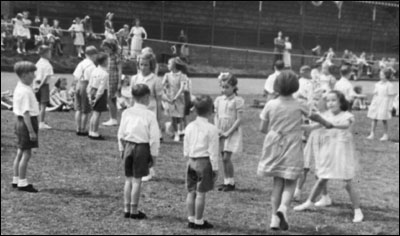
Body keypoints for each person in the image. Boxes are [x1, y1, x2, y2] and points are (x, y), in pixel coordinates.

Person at [257, 71, 333, 231]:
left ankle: (274, 220)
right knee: (290, 181)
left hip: (274, 144)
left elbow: (262, 128)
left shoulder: (270, 104)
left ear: (276, 87)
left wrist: (277, 131)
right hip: (292, 144)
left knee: (277, 181)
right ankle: (283, 208)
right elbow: (315, 116)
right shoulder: (299, 103)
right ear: (295, 87)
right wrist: (326, 123)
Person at [294, 90, 364, 223]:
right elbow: (312, 127)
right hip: (328, 151)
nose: (330, 103)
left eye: (334, 100)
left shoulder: (347, 115)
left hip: (343, 152)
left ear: (341, 102)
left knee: (348, 183)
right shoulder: (324, 115)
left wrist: (332, 125)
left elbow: (346, 125)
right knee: (322, 179)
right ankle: (309, 202)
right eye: (328, 100)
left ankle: (357, 210)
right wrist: (296, 126)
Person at [118, 84, 160, 220]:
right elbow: (154, 138)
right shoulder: (150, 115)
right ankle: (134, 210)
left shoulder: (127, 112)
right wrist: (154, 155)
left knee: (128, 179)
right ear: (146, 97)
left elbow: (121, 133)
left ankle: (126, 208)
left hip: (128, 145)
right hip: (142, 147)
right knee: (137, 180)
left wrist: (121, 148)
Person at [184, 95, 219, 230]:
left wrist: (188, 156)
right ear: (211, 110)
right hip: (204, 162)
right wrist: (215, 169)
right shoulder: (212, 129)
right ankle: (199, 221)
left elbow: (186, 146)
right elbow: (213, 151)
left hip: (191, 160)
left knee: (191, 191)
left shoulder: (190, 126)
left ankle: (190, 218)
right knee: (201, 193)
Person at [130, 53, 163, 181]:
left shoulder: (155, 80)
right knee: (139, 141)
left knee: (150, 142)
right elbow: (132, 98)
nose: (143, 67)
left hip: (150, 112)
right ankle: (141, 166)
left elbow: (159, 101)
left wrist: (159, 118)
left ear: (151, 66)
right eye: (141, 65)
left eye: (146, 65)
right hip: (137, 113)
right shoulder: (134, 78)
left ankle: (150, 168)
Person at [12, 61, 40, 193]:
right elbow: (26, 113)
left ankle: (16, 178)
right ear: (24, 75)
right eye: (32, 73)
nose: (34, 76)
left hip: (19, 122)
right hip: (26, 122)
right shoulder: (25, 91)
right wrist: (31, 131)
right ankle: (22, 182)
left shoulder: (21, 87)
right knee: (26, 153)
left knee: (20, 151)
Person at [214, 73, 244, 192]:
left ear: (233, 87)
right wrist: (217, 129)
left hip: (232, 131)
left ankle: (231, 182)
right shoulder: (218, 100)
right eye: (222, 87)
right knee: (223, 157)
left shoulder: (238, 100)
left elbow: (239, 119)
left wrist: (228, 132)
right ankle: (226, 181)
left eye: (227, 87)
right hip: (221, 131)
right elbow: (216, 116)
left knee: (227, 157)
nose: (224, 90)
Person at [72, 46, 98, 136]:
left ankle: (77, 128)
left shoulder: (81, 63)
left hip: (78, 83)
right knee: (85, 109)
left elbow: (75, 76)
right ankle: (83, 129)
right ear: (93, 55)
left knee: (78, 108)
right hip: (86, 85)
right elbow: (94, 79)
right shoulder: (92, 66)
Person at [162, 57, 188, 142]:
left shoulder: (182, 76)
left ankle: (171, 128)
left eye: (169, 63)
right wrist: (165, 93)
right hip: (170, 99)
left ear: (174, 65)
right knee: (173, 117)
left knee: (180, 117)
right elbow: (161, 85)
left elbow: (181, 88)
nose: (167, 65)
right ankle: (176, 133)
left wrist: (175, 97)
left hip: (179, 99)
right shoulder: (167, 75)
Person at [367, 68, 397, 141]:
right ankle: (372, 133)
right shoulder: (377, 84)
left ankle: (385, 135)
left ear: (386, 76)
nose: (380, 76)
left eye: (382, 75)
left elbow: (391, 97)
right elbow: (375, 94)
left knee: (384, 119)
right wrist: (372, 104)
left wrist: (390, 106)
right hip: (377, 102)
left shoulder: (389, 85)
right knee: (374, 118)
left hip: (384, 103)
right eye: (380, 74)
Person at [87, 53, 109, 140]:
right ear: (104, 62)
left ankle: (91, 131)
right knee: (97, 113)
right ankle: (95, 132)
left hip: (92, 90)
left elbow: (90, 84)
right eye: (108, 60)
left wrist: (89, 95)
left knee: (94, 113)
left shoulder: (95, 70)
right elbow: (101, 88)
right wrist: (97, 98)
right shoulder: (105, 74)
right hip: (100, 93)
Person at [101, 39, 122, 127]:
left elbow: (120, 70)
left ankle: (113, 119)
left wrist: (119, 83)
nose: (105, 50)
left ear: (111, 47)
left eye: (106, 48)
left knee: (110, 98)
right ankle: (112, 118)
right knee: (111, 98)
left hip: (114, 79)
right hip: (109, 79)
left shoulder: (116, 56)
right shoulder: (108, 56)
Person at [34, 45, 54, 130]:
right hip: (43, 86)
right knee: (43, 106)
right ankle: (41, 123)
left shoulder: (38, 63)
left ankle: (38, 121)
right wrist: (40, 87)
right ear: (45, 54)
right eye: (49, 53)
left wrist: (36, 86)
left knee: (37, 105)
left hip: (36, 84)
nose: (51, 54)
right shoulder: (47, 65)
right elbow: (46, 78)